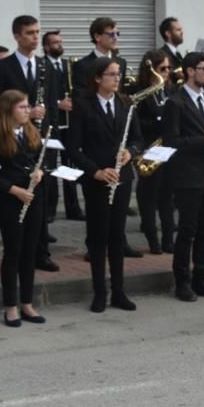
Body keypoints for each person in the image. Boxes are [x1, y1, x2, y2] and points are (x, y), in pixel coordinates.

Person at [66, 57, 143, 313]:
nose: (117, 78)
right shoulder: (83, 105)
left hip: (122, 178)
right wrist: (96, 171)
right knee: (98, 237)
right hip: (97, 178)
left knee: (117, 236)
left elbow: (137, 139)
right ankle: (100, 292)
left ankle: (119, 292)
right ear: (98, 78)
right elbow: (74, 149)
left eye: (118, 73)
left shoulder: (126, 103)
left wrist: (130, 153)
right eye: (111, 74)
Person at [0, 15, 59, 271]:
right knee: (21, 195)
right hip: (12, 140)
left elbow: (51, 102)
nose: (35, 37)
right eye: (29, 33)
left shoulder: (44, 65)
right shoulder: (3, 67)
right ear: (17, 35)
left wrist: (47, 123)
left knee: (41, 194)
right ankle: (21, 251)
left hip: (37, 139)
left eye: (37, 32)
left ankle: (42, 251)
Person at [162, 51, 204, 302]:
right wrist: (201, 141)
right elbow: (170, 141)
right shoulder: (175, 102)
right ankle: (182, 281)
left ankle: (202, 277)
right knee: (187, 230)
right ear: (190, 71)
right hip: (188, 175)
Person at [0, 89, 48, 327]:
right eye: (22, 107)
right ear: (9, 109)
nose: (27, 110)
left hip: (33, 198)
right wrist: (14, 190)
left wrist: (41, 172)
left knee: (30, 251)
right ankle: (10, 306)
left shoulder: (32, 132)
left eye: (28, 106)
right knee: (13, 252)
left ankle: (27, 303)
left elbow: (43, 161)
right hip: (11, 199)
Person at [133, 50, 175, 254]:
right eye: (162, 69)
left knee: (167, 197)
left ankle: (168, 240)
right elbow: (135, 122)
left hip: (167, 148)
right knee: (148, 196)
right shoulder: (140, 91)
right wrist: (158, 122)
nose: (167, 72)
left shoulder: (171, 90)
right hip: (148, 148)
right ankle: (153, 241)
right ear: (150, 70)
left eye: (168, 68)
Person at [41, 29, 83, 222]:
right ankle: (49, 209)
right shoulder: (41, 65)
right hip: (51, 122)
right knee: (50, 166)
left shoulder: (68, 65)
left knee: (70, 165)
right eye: (55, 43)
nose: (59, 45)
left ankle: (73, 208)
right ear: (46, 46)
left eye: (60, 42)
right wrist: (58, 104)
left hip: (70, 123)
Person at [72, 17, 128, 97]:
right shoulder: (82, 65)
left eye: (117, 34)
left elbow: (121, 93)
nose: (116, 38)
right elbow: (80, 97)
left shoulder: (121, 62)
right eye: (111, 34)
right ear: (97, 37)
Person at [159, 16, 185, 83]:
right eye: (178, 30)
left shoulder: (178, 54)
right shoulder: (161, 54)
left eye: (181, 29)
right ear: (168, 33)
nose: (182, 32)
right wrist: (176, 75)